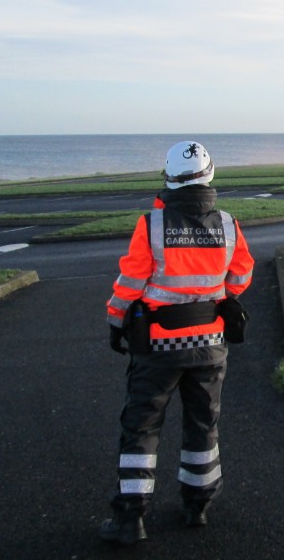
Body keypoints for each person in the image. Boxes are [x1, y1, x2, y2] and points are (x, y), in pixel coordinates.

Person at [99, 141, 254, 545]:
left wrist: (116, 321)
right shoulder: (228, 224)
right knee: (203, 425)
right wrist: (216, 294)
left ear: (168, 177)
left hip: (157, 347)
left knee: (142, 428)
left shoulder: (150, 225)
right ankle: (197, 506)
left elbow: (131, 283)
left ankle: (130, 519)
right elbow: (240, 278)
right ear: (210, 175)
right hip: (210, 343)